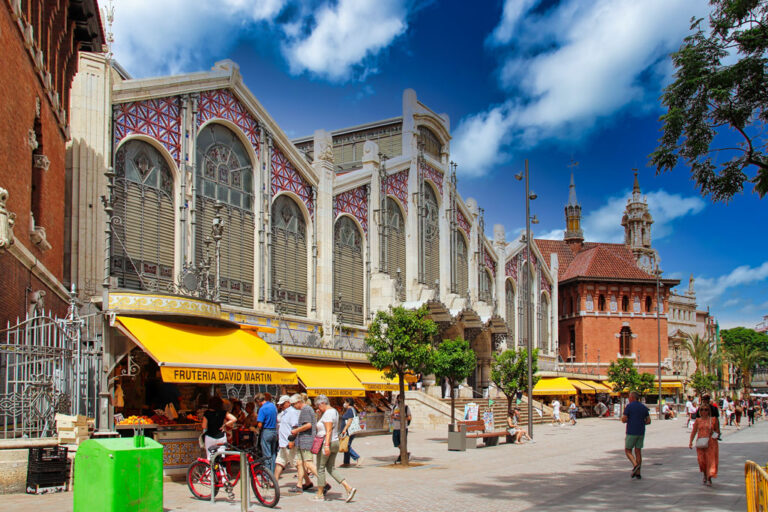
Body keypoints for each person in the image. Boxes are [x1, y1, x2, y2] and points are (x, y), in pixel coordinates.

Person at [311, 395, 357, 502]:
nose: (318, 407)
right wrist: (319, 415)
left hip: (327, 442)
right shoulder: (333, 411)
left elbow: (328, 430)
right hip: (335, 442)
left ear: (322, 403)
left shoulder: (328, 414)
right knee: (331, 468)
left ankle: (320, 493)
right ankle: (348, 488)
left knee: (320, 468)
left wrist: (326, 445)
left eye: (318, 405)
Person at [274, 395, 310, 488]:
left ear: (288, 403)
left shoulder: (292, 413)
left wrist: (292, 440)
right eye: (280, 404)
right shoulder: (284, 413)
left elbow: (295, 427)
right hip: (283, 442)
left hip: (289, 442)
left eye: (282, 404)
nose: (280, 406)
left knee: (297, 464)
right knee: (280, 462)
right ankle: (275, 481)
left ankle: (301, 483)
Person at [290, 394, 319, 493]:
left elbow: (308, 425)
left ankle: (323, 482)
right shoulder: (305, 409)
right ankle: (299, 485)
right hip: (302, 440)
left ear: (299, 402)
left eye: (294, 404)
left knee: (308, 463)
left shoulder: (306, 409)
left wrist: (296, 430)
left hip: (306, 440)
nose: (293, 406)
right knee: (300, 463)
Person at [689, 397, 720, 486]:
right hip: (700, 442)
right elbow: (694, 431)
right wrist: (690, 442)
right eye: (702, 409)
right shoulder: (698, 420)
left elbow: (718, 432)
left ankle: (709, 477)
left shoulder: (714, 420)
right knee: (702, 461)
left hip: (711, 443)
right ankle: (705, 474)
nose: (704, 411)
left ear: (709, 411)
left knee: (710, 460)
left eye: (706, 410)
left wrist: (713, 433)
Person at [621, 391, 651, 480]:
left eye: (629, 397)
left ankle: (635, 465)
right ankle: (638, 473)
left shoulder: (629, 406)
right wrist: (640, 422)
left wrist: (628, 420)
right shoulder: (643, 407)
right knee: (638, 451)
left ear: (632, 398)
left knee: (628, 450)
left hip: (631, 431)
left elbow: (623, 419)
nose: (628, 399)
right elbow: (648, 421)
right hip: (641, 432)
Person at [202, 396, 236, 460]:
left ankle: (210, 469)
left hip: (210, 437)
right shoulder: (223, 412)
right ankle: (221, 469)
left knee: (210, 458)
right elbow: (234, 419)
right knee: (221, 458)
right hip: (221, 437)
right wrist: (225, 425)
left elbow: (204, 426)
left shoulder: (207, 413)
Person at [256, 393, 278, 473]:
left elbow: (260, 424)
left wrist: (257, 428)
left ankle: (267, 475)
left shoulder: (262, 409)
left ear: (258, 401)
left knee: (266, 455)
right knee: (273, 453)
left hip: (266, 431)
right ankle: (273, 473)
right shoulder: (273, 406)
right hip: (274, 431)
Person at [340, 398, 362, 467]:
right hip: (350, 431)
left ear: (348, 403)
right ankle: (346, 462)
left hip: (349, 431)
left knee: (346, 445)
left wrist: (344, 429)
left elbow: (350, 420)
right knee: (346, 444)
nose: (344, 404)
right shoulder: (352, 409)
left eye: (345, 402)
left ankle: (357, 457)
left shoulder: (350, 410)